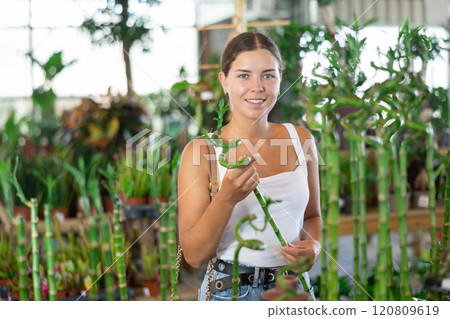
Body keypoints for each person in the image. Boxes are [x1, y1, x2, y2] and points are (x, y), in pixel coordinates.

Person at [177, 31, 321, 301]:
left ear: (280, 79)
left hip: (292, 288)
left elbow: (312, 216)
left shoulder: (301, 140)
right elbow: (194, 256)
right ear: (224, 81)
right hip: (230, 293)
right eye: (244, 75)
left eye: (268, 75)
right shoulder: (202, 152)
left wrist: (314, 246)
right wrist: (226, 198)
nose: (257, 86)